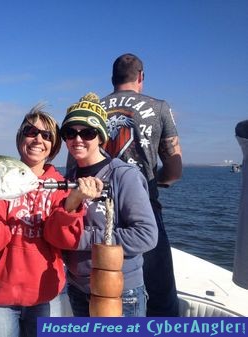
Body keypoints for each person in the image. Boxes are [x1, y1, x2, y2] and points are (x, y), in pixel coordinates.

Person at [0, 105, 100, 337]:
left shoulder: (59, 187)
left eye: (46, 135)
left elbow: (62, 240)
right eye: (30, 131)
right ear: (20, 138)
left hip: (44, 295)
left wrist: (72, 203)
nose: (38, 139)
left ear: (53, 146)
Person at [100, 53, 183, 316]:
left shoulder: (92, 109)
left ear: (112, 79)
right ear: (141, 77)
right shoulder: (159, 108)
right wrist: (157, 181)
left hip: (98, 214)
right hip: (143, 211)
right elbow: (174, 170)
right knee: (160, 296)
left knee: (102, 295)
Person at [62, 92, 158, 317]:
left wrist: (78, 239)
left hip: (120, 292)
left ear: (101, 136)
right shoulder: (69, 178)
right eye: (70, 132)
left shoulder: (124, 176)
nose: (77, 139)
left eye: (87, 132)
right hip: (78, 289)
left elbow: (146, 235)